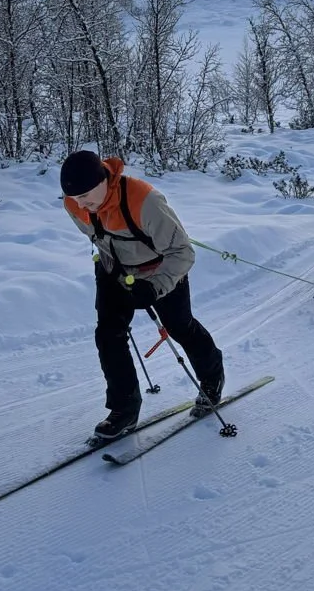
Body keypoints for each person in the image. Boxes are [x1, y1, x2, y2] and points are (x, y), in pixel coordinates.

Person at [60, 149, 225, 441]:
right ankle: (124, 409)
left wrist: (155, 285)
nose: (81, 204)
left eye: (86, 195)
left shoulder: (144, 200)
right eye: (75, 198)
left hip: (161, 269)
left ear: (104, 180)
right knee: (109, 334)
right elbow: (98, 236)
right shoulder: (74, 204)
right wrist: (116, 271)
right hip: (115, 269)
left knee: (179, 327)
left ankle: (212, 378)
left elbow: (182, 252)